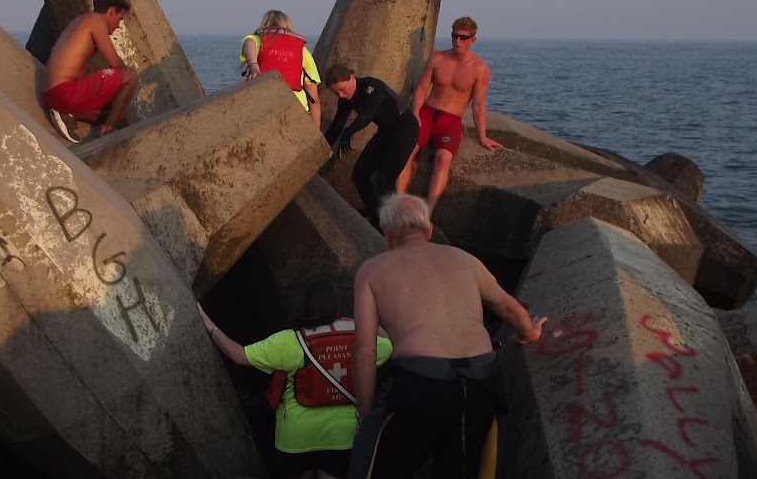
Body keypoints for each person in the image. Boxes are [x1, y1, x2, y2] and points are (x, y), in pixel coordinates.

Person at [348, 194, 546, 479]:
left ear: (386, 233)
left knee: (384, 465)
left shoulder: (371, 271)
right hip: (480, 381)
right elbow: (508, 308)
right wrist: (531, 331)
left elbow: (364, 353)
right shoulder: (464, 259)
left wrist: (365, 417)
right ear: (429, 230)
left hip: (422, 385)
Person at [198, 282, 392, 479]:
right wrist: (367, 320)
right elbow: (389, 345)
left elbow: (239, 355)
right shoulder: (359, 338)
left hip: (296, 440)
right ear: (336, 306)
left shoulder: (289, 341)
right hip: (343, 438)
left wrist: (210, 325)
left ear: (305, 307)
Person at [396, 16, 503, 213]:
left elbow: (478, 105)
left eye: (463, 37)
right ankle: (399, 204)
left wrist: (482, 136)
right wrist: (415, 113)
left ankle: (428, 211)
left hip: (450, 120)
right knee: (406, 151)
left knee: (443, 158)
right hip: (427, 113)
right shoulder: (438, 59)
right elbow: (421, 88)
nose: (457, 41)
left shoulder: (479, 69)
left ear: (473, 40)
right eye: (454, 36)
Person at [322, 64, 419, 226]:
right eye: (335, 92)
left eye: (343, 89)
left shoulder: (373, 86)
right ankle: (377, 214)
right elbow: (336, 127)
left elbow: (367, 115)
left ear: (352, 77)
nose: (341, 95)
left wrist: (349, 132)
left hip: (405, 129)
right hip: (386, 132)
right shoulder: (345, 100)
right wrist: (321, 151)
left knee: (385, 178)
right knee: (359, 173)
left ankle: (395, 224)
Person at [42, 0, 139, 143]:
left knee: (118, 113)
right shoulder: (95, 21)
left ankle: (68, 113)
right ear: (111, 11)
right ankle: (107, 133)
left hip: (51, 94)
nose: (119, 26)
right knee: (130, 76)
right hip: (65, 91)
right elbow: (115, 64)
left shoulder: (81, 21)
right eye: (119, 19)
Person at [240, 10, 322, 129]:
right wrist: (316, 133)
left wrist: (253, 64)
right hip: (296, 110)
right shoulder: (302, 51)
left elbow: (249, 42)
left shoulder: (259, 40)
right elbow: (314, 101)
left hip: (264, 106)